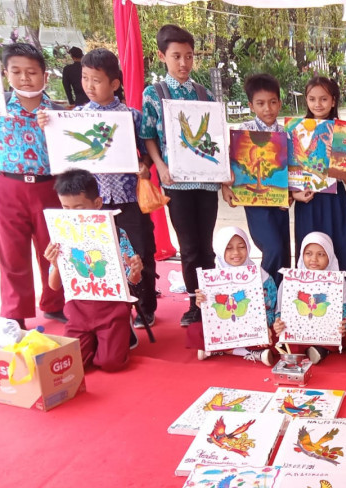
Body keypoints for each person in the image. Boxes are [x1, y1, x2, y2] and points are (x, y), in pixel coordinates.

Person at [39, 48, 158, 329]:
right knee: (93, 252)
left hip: (128, 199)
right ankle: (102, 307)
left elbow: (144, 154)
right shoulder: (76, 116)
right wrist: (47, 124)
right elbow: (63, 150)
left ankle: (145, 307)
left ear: (114, 84)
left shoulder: (131, 116)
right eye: (85, 78)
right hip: (89, 202)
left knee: (139, 252)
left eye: (97, 80)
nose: (89, 86)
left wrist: (144, 166)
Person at [0, 43, 66, 329]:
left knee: (53, 248)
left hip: (49, 187)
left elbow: (73, 151)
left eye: (32, 72)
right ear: (5, 74)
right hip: (6, 186)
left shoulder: (58, 112)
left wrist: (55, 127)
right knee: (10, 250)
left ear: (45, 76)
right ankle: (14, 311)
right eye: (16, 71)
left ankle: (56, 303)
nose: (25, 78)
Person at [141, 24, 220, 327]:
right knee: (188, 247)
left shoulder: (205, 94)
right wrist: (160, 166)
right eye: (177, 57)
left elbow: (215, 136)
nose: (184, 63)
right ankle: (194, 304)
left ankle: (212, 301)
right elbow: (148, 135)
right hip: (177, 182)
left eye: (189, 56)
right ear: (162, 56)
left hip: (207, 182)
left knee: (207, 246)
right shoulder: (154, 94)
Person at [44, 170, 142, 372]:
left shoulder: (115, 232)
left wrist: (135, 271)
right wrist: (55, 263)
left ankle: (122, 329)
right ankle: (100, 340)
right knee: (72, 363)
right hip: (78, 310)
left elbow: (132, 281)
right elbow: (53, 285)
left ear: (97, 203)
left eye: (79, 208)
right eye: (65, 208)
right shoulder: (60, 236)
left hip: (111, 309)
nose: (72, 215)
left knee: (110, 363)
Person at [221, 73, 290, 286]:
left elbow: (295, 169)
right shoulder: (242, 132)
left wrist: (291, 195)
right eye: (260, 103)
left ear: (279, 103)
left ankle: (280, 298)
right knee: (273, 248)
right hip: (254, 202)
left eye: (272, 102)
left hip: (281, 203)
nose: (267, 109)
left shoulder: (287, 134)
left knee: (284, 251)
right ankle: (263, 292)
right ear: (251, 105)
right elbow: (226, 163)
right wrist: (225, 186)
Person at [290, 76, 346, 285]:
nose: (318, 104)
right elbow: (288, 169)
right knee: (310, 250)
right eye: (312, 99)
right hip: (307, 201)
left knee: (337, 244)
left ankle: (340, 297)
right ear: (306, 101)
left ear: (334, 101)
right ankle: (305, 293)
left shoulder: (344, 131)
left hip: (334, 201)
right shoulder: (296, 130)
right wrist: (294, 194)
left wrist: (338, 158)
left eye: (324, 99)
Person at [190, 226, 278, 366]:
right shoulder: (213, 279)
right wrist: (202, 302)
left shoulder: (262, 277)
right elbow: (213, 314)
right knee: (194, 330)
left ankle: (221, 349)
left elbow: (270, 308)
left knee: (276, 336)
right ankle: (248, 352)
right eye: (228, 248)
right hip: (226, 329)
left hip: (253, 329)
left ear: (248, 248)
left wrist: (263, 328)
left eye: (241, 246)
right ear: (219, 250)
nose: (236, 253)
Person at [273, 232, 346, 365]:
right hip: (299, 333)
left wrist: (344, 323)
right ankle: (316, 350)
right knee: (277, 333)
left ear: (330, 256)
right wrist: (278, 323)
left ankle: (319, 350)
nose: (314, 259)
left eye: (321, 254)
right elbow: (281, 311)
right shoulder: (290, 281)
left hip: (325, 332)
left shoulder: (337, 281)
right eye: (308, 254)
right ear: (301, 255)